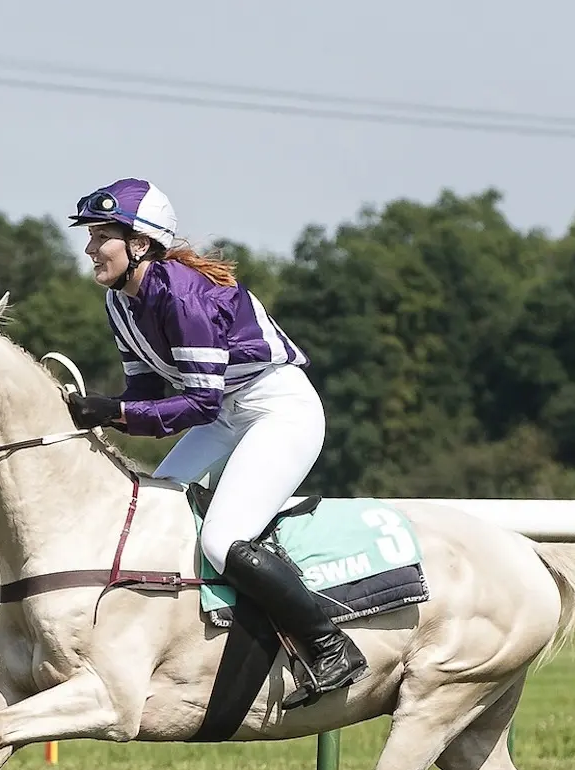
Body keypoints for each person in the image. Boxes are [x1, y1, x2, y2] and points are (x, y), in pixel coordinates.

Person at [64, 178, 366, 708]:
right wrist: (111, 409)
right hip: (226, 411)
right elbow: (146, 392)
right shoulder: (120, 300)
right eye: (89, 236)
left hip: (278, 411)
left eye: (101, 236)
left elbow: (196, 405)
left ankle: (330, 647)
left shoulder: (183, 295)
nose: (90, 248)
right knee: (154, 514)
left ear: (139, 244)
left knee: (221, 540)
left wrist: (112, 413)